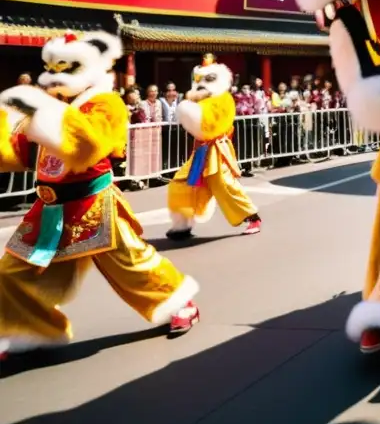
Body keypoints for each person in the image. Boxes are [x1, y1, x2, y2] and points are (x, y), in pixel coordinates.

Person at [0, 32, 199, 359]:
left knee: (133, 264)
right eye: (50, 69)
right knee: (12, 271)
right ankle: (31, 328)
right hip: (49, 207)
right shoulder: (52, 105)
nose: (54, 78)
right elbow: (18, 152)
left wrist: (41, 113)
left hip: (94, 202)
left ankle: (179, 302)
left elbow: (87, 147)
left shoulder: (106, 103)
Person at [164, 54, 261, 240]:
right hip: (201, 152)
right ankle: (182, 225)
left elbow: (209, 126)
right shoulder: (199, 100)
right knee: (182, 184)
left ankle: (252, 217)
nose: (202, 83)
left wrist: (189, 112)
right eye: (200, 79)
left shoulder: (224, 99)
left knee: (226, 186)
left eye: (208, 79)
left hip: (217, 151)